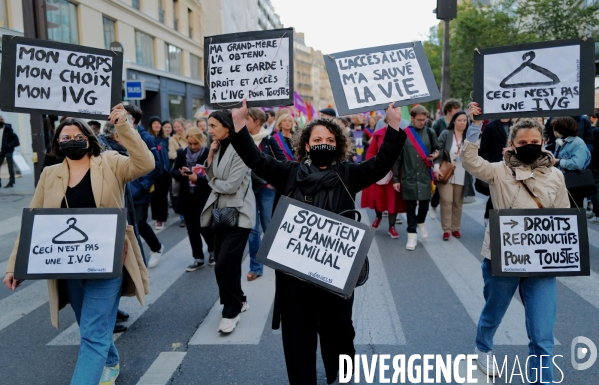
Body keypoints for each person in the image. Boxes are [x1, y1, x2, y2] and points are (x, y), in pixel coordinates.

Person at [229, 99, 407, 385]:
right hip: (294, 282)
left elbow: (381, 162)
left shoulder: (349, 174)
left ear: (338, 145)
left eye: (330, 139)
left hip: (336, 280)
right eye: (317, 139)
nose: (324, 143)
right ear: (307, 145)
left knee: (339, 334)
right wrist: (239, 124)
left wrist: (394, 125)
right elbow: (256, 160)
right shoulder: (288, 173)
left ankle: (340, 372)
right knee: (298, 340)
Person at [3, 106, 154, 385]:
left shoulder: (110, 162)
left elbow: (145, 164)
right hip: (68, 266)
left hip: (108, 263)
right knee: (88, 323)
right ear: (57, 144)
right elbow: (33, 222)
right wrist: (16, 265)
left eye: (77, 135)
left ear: (88, 137)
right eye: (65, 137)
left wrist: (124, 127)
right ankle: (110, 360)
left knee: (94, 332)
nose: (71, 140)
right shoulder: (50, 174)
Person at [463, 102, 569, 382]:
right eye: (523, 142)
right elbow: (471, 162)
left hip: (542, 262)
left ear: (544, 141)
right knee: (493, 312)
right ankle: (483, 348)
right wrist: (475, 125)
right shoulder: (498, 171)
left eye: (535, 141)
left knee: (542, 333)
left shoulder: (556, 175)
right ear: (512, 144)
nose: (530, 145)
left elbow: (563, 217)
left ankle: (541, 379)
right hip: (503, 258)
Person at [200, 109, 256, 334]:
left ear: (227, 126)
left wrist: (212, 181)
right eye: (208, 125)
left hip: (240, 214)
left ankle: (231, 311)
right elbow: (210, 174)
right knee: (228, 265)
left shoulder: (241, 147)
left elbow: (231, 185)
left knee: (223, 264)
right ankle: (240, 300)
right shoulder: (220, 146)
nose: (209, 130)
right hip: (222, 214)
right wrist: (211, 157)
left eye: (213, 125)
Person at [101, 121, 146, 333]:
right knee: (111, 271)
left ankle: (111, 311)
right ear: (118, 136)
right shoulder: (108, 153)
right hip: (107, 225)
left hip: (121, 217)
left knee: (117, 271)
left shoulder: (115, 152)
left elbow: (145, 163)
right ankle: (107, 316)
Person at [245, 108, 286, 280]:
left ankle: (277, 258)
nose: (244, 121)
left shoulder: (268, 139)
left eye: (247, 118)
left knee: (268, 225)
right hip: (247, 189)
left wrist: (273, 182)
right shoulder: (242, 140)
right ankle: (256, 267)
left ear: (257, 121)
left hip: (266, 189)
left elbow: (282, 161)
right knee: (253, 230)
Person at [123, 105, 165, 268]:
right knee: (129, 225)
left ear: (131, 119)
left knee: (139, 222)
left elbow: (157, 164)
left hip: (139, 189)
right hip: (126, 188)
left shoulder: (146, 138)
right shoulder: (124, 135)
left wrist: (143, 185)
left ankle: (156, 247)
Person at [171, 127, 215, 270]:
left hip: (203, 197)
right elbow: (173, 172)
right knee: (192, 230)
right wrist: (181, 174)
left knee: (205, 228)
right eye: (190, 143)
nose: (193, 147)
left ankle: (212, 250)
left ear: (201, 141)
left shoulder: (209, 153)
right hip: (187, 198)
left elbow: (213, 178)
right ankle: (198, 258)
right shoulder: (182, 153)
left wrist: (198, 179)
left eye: (196, 143)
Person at [399, 105, 439, 251]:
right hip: (408, 176)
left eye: (424, 119)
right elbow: (398, 158)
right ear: (412, 118)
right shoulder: (404, 134)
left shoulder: (430, 132)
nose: (422, 122)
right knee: (410, 207)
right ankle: (411, 235)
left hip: (424, 175)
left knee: (424, 205)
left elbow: (438, 149)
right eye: (419, 120)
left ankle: (421, 221)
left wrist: (436, 155)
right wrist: (397, 180)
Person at [361, 122, 405, 238]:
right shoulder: (378, 135)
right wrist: (375, 169)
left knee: (393, 201)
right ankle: (378, 216)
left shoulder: (402, 134)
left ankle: (392, 226)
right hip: (379, 172)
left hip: (395, 174)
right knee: (378, 199)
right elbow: (371, 153)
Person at [434, 111, 473, 240]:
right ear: (454, 121)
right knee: (446, 201)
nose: (462, 123)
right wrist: (436, 168)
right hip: (446, 172)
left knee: (457, 202)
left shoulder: (469, 136)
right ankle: (446, 229)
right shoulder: (446, 134)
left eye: (464, 120)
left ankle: (456, 228)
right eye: (459, 120)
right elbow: (438, 151)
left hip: (462, 173)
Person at [429, 99, 462, 219]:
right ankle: (433, 204)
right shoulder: (439, 123)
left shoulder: (459, 122)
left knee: (453, 187)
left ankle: (450, 214)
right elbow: (434, 140)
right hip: (442, 159)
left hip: (457, 160)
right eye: (455, 108)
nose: (458, 111)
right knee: (442, 184)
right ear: (449, 110)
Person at [551, 116, 591, 209]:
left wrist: (559, 161)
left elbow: (577, 164)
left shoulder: (578, 143)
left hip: (574, 184)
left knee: (574, 209)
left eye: (555, 128)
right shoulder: (560, 142)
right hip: (561, 183)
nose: (554, 131)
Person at [479, 118, 513, 226]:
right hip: (495, 165)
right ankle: (489, 216)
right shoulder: (490, 126)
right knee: (495, 193)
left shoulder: (515, 125)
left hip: (512, 166)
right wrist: (490, 165)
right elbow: (483, 149)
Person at [148, 116, 171, 233]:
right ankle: (156, 216)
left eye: (158, 123)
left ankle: (161, 219)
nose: (157, 125)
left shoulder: (165, 139)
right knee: (154, 196)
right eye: (154, 123)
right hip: (152, 172)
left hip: (164, 172)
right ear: (151, 126)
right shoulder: (148, 138)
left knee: (162, 196)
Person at [169, 118, 188, 227]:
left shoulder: (189, 134)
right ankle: (182, 217)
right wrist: (183, 154)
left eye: (178, 126)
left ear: (183, 126)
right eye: (175, 127)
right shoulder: (173, 139)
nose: (177, 129)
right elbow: (171, 154)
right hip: (179, 166)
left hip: (192, 166)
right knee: (179, 190)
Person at [0, 116, 19, 188]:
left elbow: (15, 139)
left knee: (10, 167)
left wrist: (9, 145)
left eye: (2, 119)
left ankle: (11, 182)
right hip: (0, 151)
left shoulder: (8, 128)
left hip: (8, 150)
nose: (2, 120)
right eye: (1, 119)